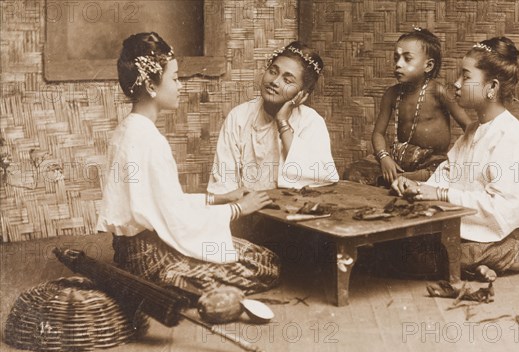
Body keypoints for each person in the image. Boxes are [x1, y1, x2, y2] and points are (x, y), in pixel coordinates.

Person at [96, 32, 280, 298]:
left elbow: (164, 204)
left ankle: (176, 281)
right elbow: (175, 218)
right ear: (150, 85)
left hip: (129, 251)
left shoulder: (126, 131)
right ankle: (171, 282)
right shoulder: (149, 141)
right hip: (153, 256)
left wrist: (219, 198)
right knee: (264, 264)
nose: (180, 85)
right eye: (174, 78)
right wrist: (237, 209)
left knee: (252, 255)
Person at [392, 37, 519, 282]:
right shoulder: (473, 131)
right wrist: (418, 188)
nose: (456, 84)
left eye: (466, 77)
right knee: (399, 245)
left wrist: (438, 195)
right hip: (475, 223)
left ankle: (508, 253)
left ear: (491, 87)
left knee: (416, 258)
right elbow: (448, 174)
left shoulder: (513, 139)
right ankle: (483, 264)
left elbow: (502, 211)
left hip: (510, 230)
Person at [207, 41, 339, 194]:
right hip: (245, 208)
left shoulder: (311, 122)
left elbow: (319, 175)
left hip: (295, 210)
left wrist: (282, 121)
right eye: (273, 71)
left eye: (287, 80)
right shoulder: (239, 116)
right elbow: (224, 183)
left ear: (302, 93)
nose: (274, 82)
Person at [345, 27, 471, 186]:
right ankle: (399, 179)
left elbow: (469, 127)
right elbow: (378, 133)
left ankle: (403, 180)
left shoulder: (439, 92)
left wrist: (461, 158)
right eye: (396, 58)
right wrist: (385, 158)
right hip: (399, 157)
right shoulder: (392, 94)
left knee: (440, 172)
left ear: (428, 66)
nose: (398, 64)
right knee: (354, 172)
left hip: (430, 161)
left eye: (407, 59)